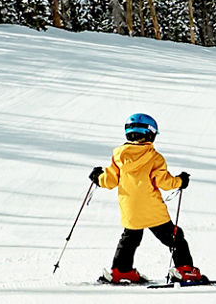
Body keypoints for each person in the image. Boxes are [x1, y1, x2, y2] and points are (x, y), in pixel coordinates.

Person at [87, 112, 207, 285]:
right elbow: (165, 182)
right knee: (175, 237)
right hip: (152, 210)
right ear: (150, 134)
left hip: (131, 209)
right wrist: (181, 180)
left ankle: (121, 271)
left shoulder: (119, 156)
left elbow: (109, 181)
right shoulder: (154, 157)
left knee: (129, 239)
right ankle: (184, 270)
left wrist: (98, 177)